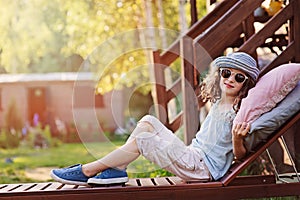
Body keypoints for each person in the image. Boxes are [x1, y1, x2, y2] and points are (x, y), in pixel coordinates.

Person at [50, 52, 260, 186]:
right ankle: (118, 170)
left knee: (144, 140)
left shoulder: (239, 111)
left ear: (246, 84)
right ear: (220, 76)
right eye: (226, 73)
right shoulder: (217, 102)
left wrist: (236, 138)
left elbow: (240, 155)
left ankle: (88, 170)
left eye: (238, 77)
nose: (230, 79)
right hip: (191, 155)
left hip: (202, 169)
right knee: (148, 121)